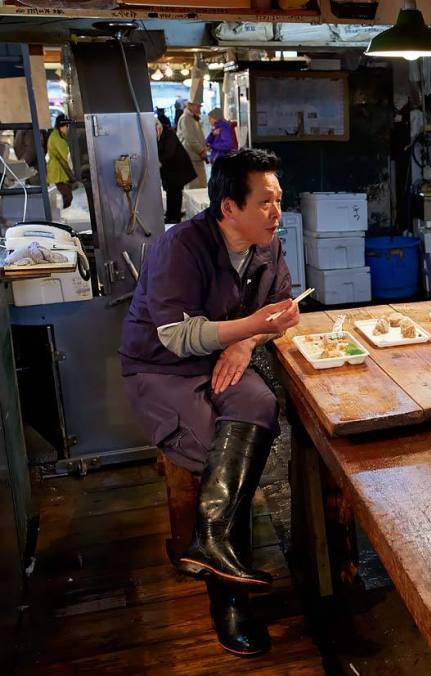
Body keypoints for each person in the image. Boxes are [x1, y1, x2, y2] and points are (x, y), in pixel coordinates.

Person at [119, 148, 298, 657]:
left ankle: (211, 541)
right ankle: (229, 598)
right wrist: (253, 328)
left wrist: (246, 341)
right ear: (227, 207)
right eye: (264, 202)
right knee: (214, 450)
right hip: (161, 367)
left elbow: (277, 308)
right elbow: (177, 335)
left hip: (223, 357)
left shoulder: (269, 248)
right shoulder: (181, 246)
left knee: (261, 407)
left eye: (278, 200)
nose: (275, 212)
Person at [155, 119, 197, 224]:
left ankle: (175, 216)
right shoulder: (159, 134)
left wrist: (159, 161)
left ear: (159, 127)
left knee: (175, 192)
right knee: (171, 192)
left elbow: (170, 152)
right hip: (169, 170)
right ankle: (171, 214)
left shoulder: (169, 133)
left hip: (177, 168)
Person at [177, 100, 208, 189]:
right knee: (193, 187)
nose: (199, 108)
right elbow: (190, 139)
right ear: (190, 105)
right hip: (190, 157)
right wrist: (201, 150)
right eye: (197, 106)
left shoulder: (193, 118)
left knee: (200, 185)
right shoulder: (185, 118)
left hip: (196, 157)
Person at [46, 115, 74, 208]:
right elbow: (67, 155)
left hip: (58, 172)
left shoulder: (57, 135)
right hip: (57, 172)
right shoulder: (57, 138)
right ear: (62, 126)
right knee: (66, 197)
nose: (68, 129)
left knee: (65, 196)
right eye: (67, 126)